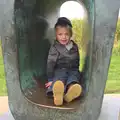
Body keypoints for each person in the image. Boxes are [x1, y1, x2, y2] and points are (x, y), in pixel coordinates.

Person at [45, 17, 82, 106]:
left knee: (73, 79)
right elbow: (50, 63)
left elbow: (77, 59)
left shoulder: (74, 46)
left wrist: (77, 70)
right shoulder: (55, 47)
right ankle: (58, 94)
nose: (64, 37)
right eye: (60, 34)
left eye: (66, 34)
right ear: (56, 35)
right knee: (58, 80)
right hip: (60, 69)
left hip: (72, 69)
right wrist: (50, 79)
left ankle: (70, 91)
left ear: (70, 34)